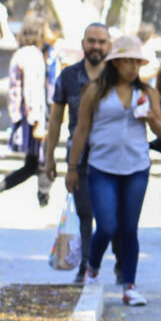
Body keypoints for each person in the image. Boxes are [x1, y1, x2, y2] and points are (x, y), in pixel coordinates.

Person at [65, 35, 161, 305]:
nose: (134, 67)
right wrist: (72, 167)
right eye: (128, 61)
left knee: (129, 229)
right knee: (107, 226)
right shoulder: (95, 90)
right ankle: (93, 269)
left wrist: (151, 118)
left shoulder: (146, 92)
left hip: (136, 167)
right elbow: (81, 130)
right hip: (102, 167)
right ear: (116, 62)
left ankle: (129, 285)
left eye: (137, 62)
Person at [43, 22, 120, 285]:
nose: (96, 46)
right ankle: (86, 266)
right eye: (91, 41)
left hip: (113, 154)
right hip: (80, 157)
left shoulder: (119, 76)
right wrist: (49, 157)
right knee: (85, 213)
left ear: (109, 45)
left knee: (114, 215)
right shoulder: (68, 77)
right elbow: (55, 119)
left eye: (101, 41)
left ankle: (121, 263)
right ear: (83, 43)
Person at [0, 18, 52, 206]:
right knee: (42, 160)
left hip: (28, 114)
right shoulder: (31, 55)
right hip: (33, 115)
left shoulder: (24, 53)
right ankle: (43, 196)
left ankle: (5, 184)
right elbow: (32, 88)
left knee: (33, 163)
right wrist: (37, 122)